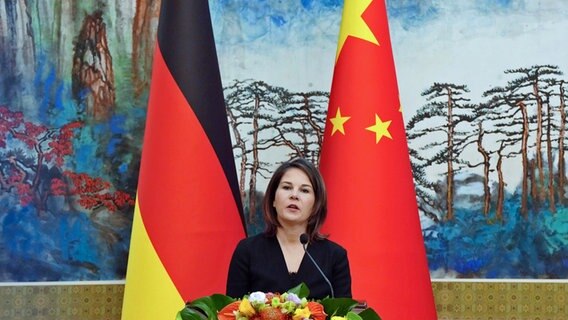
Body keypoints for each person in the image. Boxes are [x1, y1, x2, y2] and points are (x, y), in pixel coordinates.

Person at [226, 158, 352, 299]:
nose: (294, 195)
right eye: (287, 187)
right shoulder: (247, 251)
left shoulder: (335, 256)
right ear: (273, 199)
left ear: (316, 204)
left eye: (304, 190)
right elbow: (231, 311)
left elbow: (343, 313)